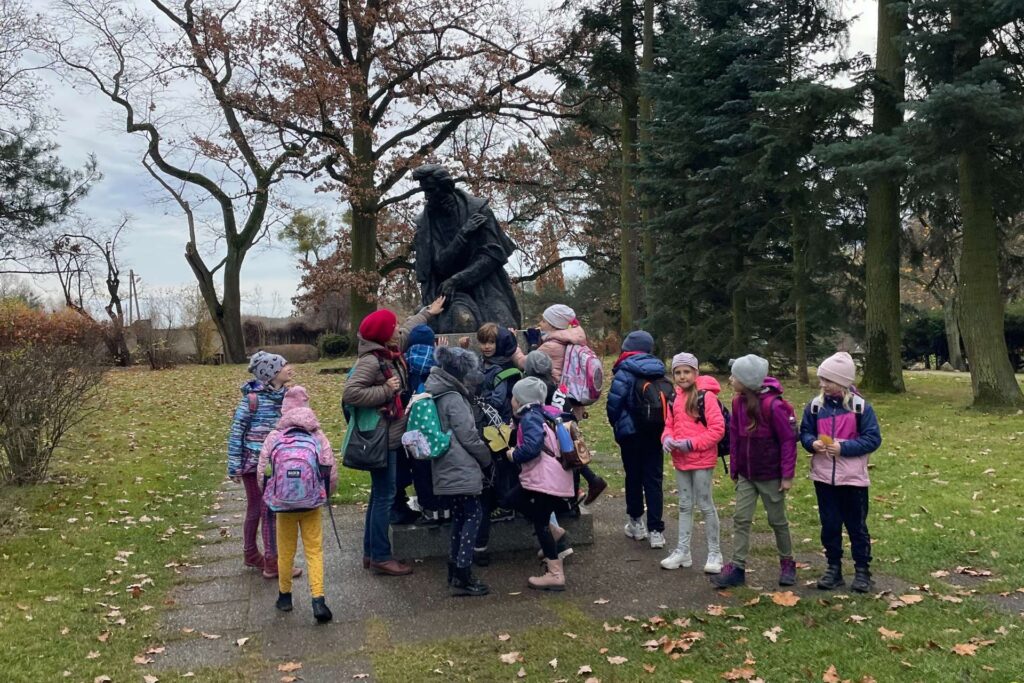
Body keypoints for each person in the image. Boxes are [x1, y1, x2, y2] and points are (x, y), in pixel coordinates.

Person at [342, 296, 446, 576]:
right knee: (385, 497)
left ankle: (370, 552)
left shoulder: (387, 350)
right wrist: (387, 390)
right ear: (383, 334)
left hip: (389, 436)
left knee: (379, 495)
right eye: (393, 327)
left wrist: (428, 312)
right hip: (382, 439)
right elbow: (351, 393)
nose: (397, 329)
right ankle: (381, 556)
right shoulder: (371, 361)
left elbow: (408, 329)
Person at [711, 354, 798, 589]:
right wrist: (735, 468)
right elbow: (735, 437)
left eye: (734, 377)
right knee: (741, 518)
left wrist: (787, 475)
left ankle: (787, 562)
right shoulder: (738, 403)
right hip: (746, 475)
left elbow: (788, 441)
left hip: (770, 475)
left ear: (747, 381)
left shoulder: (773, 406)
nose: (730, 380)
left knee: (777, 520)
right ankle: (737, 567)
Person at [800, 352, 882, 593]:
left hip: (853, 479)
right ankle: (833, 568)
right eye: (822, 379)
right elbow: (805, 432)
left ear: (843, 382)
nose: (823, 384)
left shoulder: (860, 408)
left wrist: (844, 448)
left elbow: (873, 439)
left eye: (828, 380)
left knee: (857, 527)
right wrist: (812, 443)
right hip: (824, 478)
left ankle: (862, 571)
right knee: (830, 525)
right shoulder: (815, 407)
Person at [256, 386, 338, 623]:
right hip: (311, 504)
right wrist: (325, 493)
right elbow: (330, 469)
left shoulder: (275, 437)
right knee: (314, 550)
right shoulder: (317, 436)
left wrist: (270, 495)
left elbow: (263, 472)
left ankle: (285, 596)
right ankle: (318, 600)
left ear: (284, 410)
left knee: (285, 551)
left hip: (283, 505)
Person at [411, 164, 521, 331]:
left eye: (431, 190)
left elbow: (492, 256)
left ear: (447, 187)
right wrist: (462, 235)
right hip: (448, 291)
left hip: (485, 283)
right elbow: (440, 265)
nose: (427, 196)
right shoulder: (426, 223)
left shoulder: (479, 210)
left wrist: (457, 280)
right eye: (425, 191)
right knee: (462, 322)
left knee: (504, 328)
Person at [226, 350, 301, 580]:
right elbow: (236, 432)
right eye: (283, 365)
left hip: (277, 462)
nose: (289, 367)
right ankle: (271, 562)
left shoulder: (287, 396)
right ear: (270, 373)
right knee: (262, 509)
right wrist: (234, 466)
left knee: (263, 509)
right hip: (253, 464)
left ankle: (252, 554)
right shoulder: (252, 400)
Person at [425, 346, 493, 596]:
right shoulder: (453, 397)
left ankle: (455, 568)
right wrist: (486, 459)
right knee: (473, 514)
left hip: (446, 465)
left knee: (460, 516)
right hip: (460, 465)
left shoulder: (437, 390)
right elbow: (468, 436)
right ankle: (463, 572)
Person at [506, 377, 575, 591]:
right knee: (513, 499)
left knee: (540, 523)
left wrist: (514, 454)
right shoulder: (545, 413)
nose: (511, 400)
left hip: (545, 478)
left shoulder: (529, 418)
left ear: (520, 400)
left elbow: (533, 446)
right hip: (548, 476)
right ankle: (555, 532)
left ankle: (555, 574)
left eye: (513, 397)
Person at [660, 352, 724, 573]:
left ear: (695, 373)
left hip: (702, 459)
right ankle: (683, 551)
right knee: (684, 504)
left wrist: (691, 444)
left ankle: (715, 553)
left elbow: (717, 429)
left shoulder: (707, 397)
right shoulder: (674, 398)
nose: (682, 376)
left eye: (686, 371)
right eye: (677, 372)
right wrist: (666, 439)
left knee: (705, 505)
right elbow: (669, 424)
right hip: (681, 460)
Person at [606, 331, 669, 548]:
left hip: (631, 434)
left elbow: (614, 404)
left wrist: (617, 425)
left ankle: (636, 523)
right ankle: (656, 531)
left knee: (633, 476)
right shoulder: (659, 369)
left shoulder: (624, 370)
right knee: (654, 479)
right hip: (655, 431)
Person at [523, 350, 607, 507]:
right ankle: (591, 482)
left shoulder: (538, 386)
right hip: (568, 420)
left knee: (568, 459)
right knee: (572, 456)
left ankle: (574, 494)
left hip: (558, 425)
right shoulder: (552, 382)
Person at [472, 323, 523, 565]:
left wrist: (479, 399)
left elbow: (498, 399)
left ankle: (504, 504)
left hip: (498, 431)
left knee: (498, 475)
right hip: (488, 430)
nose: (486, 347)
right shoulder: (481, 364)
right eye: (483, 342)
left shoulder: (502, 370)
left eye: (491, 342)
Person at [393, 324, 440, 525]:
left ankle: (427, 507)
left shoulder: (405, 362)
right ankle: (443, 507)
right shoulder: (436, 362)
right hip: (435, 424)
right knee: (436, 467)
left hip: (413, 427)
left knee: (419, 467)